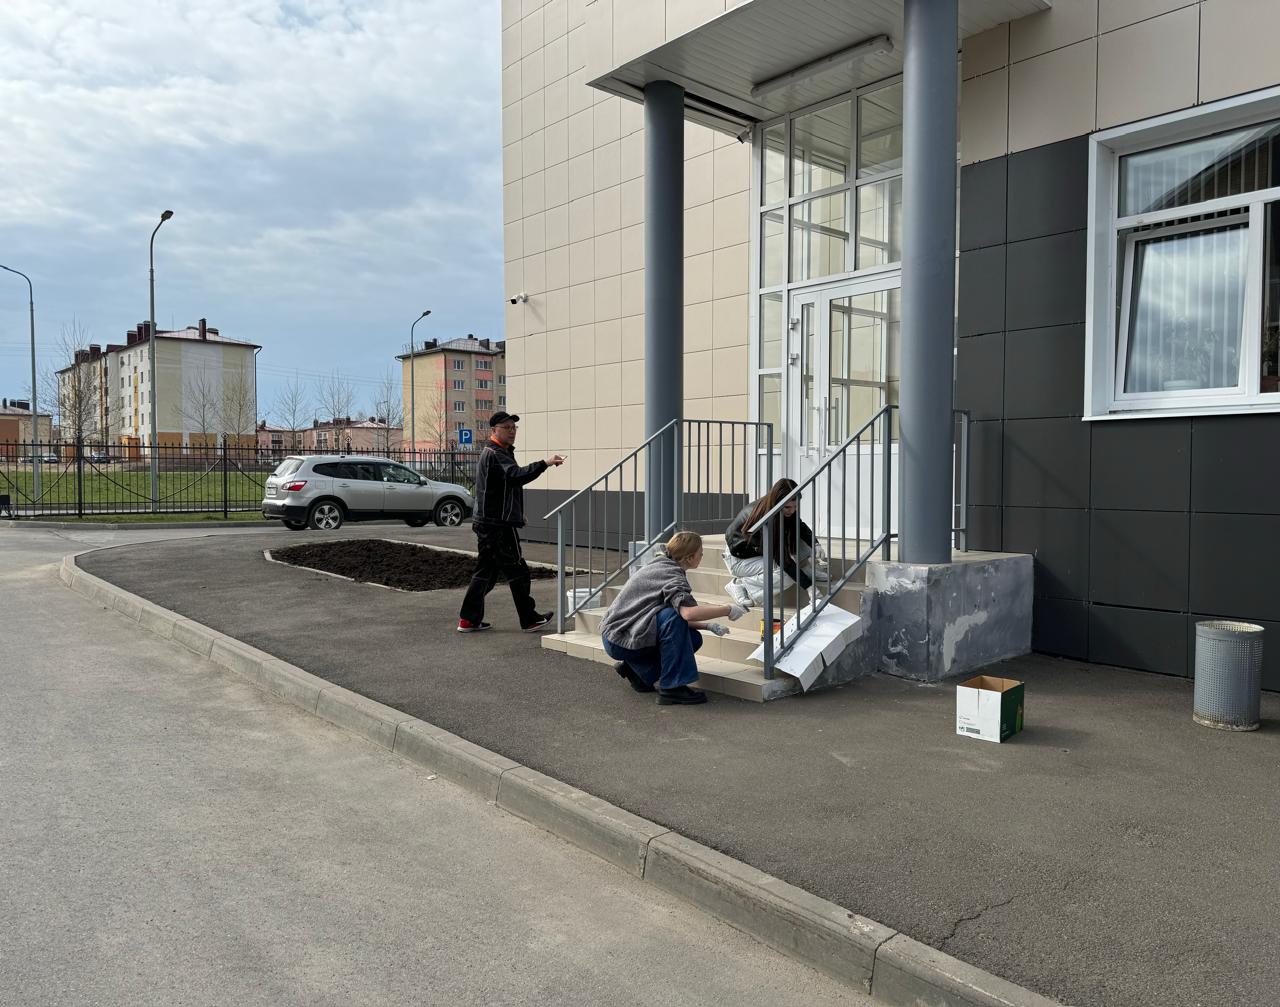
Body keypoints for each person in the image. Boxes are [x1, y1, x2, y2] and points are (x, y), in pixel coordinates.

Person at [599, 532, 748, 706]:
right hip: (621, 639)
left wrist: (708, 626)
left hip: (617, 635)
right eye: (700, 552)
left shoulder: (660, 565)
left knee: (692, 638)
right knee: (674, 619)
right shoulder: (672, 576)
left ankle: (637, 672)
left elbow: (669, 619)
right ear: (689, 557)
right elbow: (687, 614)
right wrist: (728, 609)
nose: (702, 555)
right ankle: (672, 689)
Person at [457, 411, 564, 633]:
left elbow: (504, 489)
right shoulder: (496, 453)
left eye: (514, 427)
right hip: (496, 525)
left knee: (486, 572)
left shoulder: (498, 452)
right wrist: (545, 463)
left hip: (491, 522)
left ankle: (468, 619)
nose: (512, 431)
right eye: (507, 427)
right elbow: (516, 476)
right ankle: (529, 619)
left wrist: (517, 514)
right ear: (493, 430)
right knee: (517, 570)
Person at [722, 478, 829, 608]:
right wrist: (809, 587)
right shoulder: (765, 520)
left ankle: (805, 569)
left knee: (799, 535)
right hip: (740, 560)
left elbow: (799, 526)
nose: (792, 511)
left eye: (795, 506)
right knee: (787, 575)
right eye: (788, 507)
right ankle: (741, 585)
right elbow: (784, 560)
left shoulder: (777, 507)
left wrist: (815, 544)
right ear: (777, 502)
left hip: (757, 551)